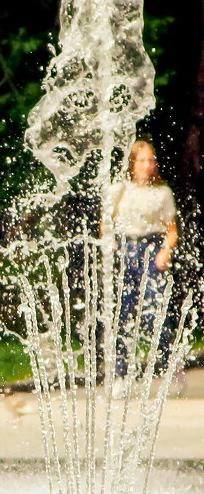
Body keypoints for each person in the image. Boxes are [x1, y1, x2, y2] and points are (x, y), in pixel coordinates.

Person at [101, 139, 179, 393]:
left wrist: (165, 250)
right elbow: (105, 224)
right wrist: (110, 243)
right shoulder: (119, 190)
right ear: (132, 163)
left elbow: (171, 230)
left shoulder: (162, 193)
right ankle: (119, 375)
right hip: (125, 250)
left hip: (152, 249)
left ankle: (170, 366)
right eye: (142, 160)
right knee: (121, 314)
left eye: (151, 160)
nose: (148, 165)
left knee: (156, 312)